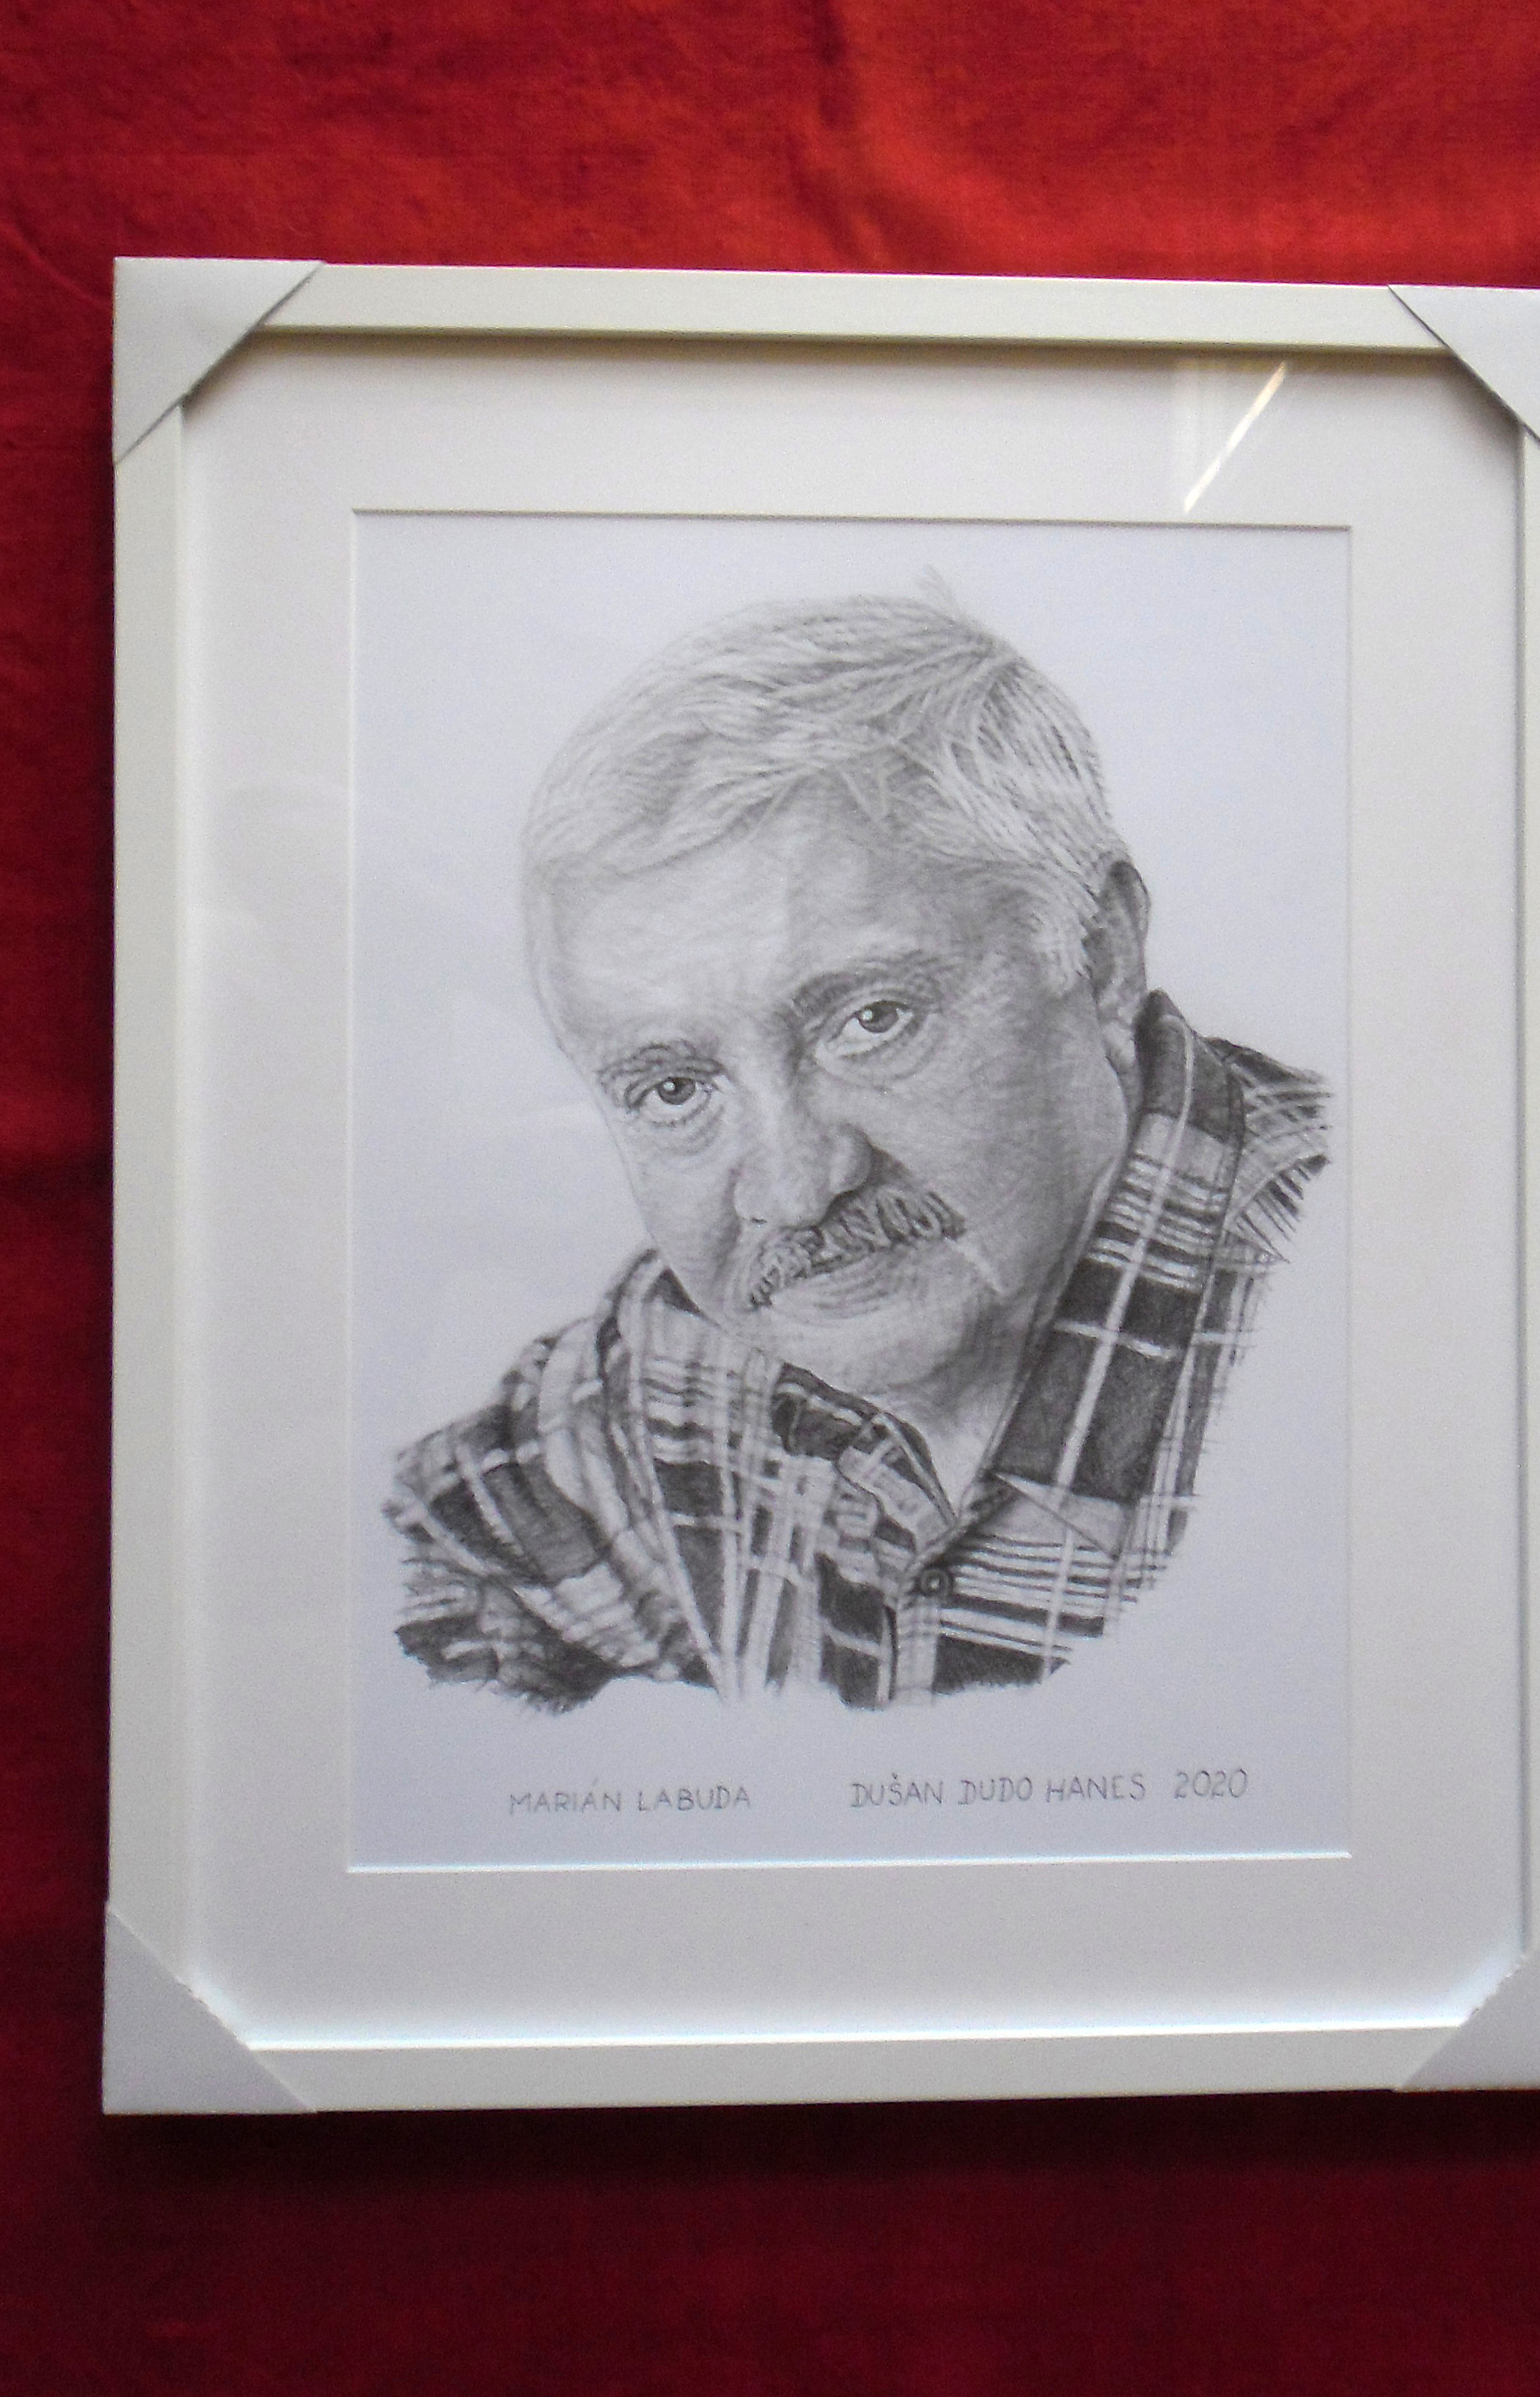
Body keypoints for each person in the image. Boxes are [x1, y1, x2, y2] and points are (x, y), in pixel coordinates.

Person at [388, 591, 1327, 1711]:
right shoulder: (678, 1361)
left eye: (871, 1021)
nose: (796, 1190)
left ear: (1100, 953)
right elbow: (412, 1602)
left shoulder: (1356, 1329)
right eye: (676, 1089)